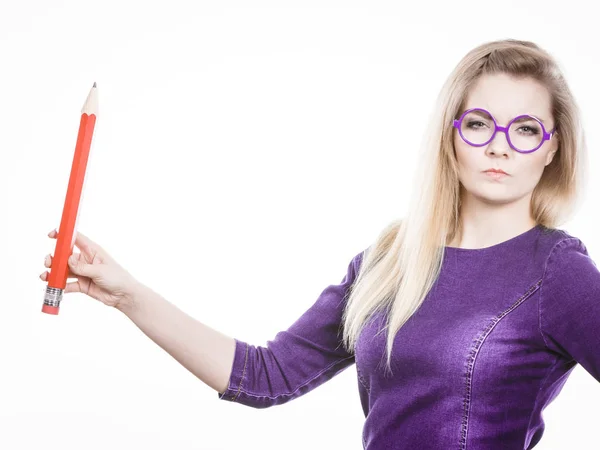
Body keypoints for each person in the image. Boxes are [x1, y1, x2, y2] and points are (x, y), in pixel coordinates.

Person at [39, 38, 599, 449]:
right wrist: (128, 295)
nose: (500, 146)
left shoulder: (557, 273)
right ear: (450, 135)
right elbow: (265, 376)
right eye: (479, 123)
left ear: (552, 148)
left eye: (526, 129)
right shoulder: (389, 261)